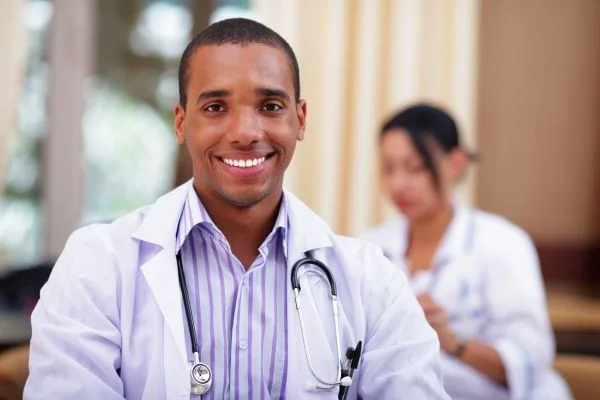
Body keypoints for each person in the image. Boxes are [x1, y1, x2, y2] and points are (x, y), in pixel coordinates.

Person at [24, 19, 450, 399]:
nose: (246, 133)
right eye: (215, 108)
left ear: (300, 119)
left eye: (270, 106)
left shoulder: (372, 281)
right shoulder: (97, 265)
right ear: (180, 121)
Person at [359, 104, 573, 400]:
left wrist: (452, 341)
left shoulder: (502, 242)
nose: (398, 184)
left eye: (415, 167)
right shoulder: (368, 249)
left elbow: (529, 359)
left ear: (456, 163)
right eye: (388, 168)